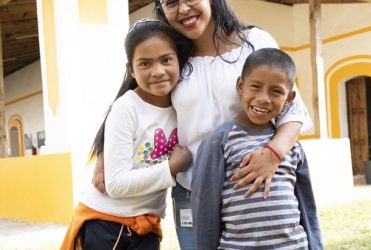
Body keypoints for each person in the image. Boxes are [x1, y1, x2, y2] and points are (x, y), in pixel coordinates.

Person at [93, 0, 315, 249]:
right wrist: (105, 150)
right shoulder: (172, 56)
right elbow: (136, 99)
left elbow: (293, 109)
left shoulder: (254, 41)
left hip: (249, 185)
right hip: (191, 192)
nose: (184, 9)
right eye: (172, 2)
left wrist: (274, 154)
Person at [61, 19, 193, 250]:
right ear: (131, 69)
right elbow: (116, 185)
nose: (158, 71)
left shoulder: (182, 103)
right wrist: (171, 167)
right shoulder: (127, 108)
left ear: (179, 60)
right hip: (107, 222)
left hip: (146, 223)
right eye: (145, 64)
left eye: (166, 60)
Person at [191, 48, 323, 249]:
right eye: (255, 86)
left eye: (276, 91)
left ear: (289, 98)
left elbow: (307, 205)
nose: (263, 98)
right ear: (240, 86)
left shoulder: (291, 145)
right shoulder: (219, 141)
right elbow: (204, 209)